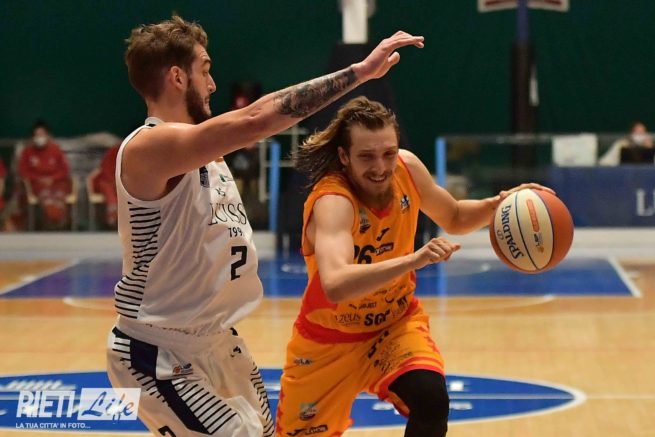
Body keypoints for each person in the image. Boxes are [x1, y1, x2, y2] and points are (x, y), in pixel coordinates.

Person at [105, 15, 424, 437]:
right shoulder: (149, 145)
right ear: (178, 78)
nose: (213, 84)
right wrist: (360, 73)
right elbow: (255, 119)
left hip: (218, 340)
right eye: (205, 70)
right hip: (158, 350)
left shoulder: (207, 154)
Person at [275, 97, 552, 437]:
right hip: (328, 341)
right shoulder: (333, 201)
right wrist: (413, 260)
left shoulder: (407, 169)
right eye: (367, 156)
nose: (381, 166)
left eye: (388, 153)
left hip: (393, 327)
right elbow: (335, 283)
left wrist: (499, 204)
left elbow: (454, 216)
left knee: (431, 400)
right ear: (344, 157)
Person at [17, 121, 72, 230]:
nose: (39, 138)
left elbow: (65, 170)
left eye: (42, 135)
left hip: (57, 183)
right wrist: (39, 179)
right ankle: (48, 228)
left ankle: (61, 227)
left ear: (48, 135)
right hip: (37, 184)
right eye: (37, 135)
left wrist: (52, 179)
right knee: (47, 200)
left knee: (59, 198)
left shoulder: (56, 149)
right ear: (33, 137)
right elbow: (23, 171)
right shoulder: (27, 152)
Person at [91, 143, 120, 228]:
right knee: (107, 187)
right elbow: (105, 170)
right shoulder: (113, 152)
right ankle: (113, 215)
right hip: (108, 182)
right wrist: (115, 181)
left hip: (124, 183)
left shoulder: (135, 153)